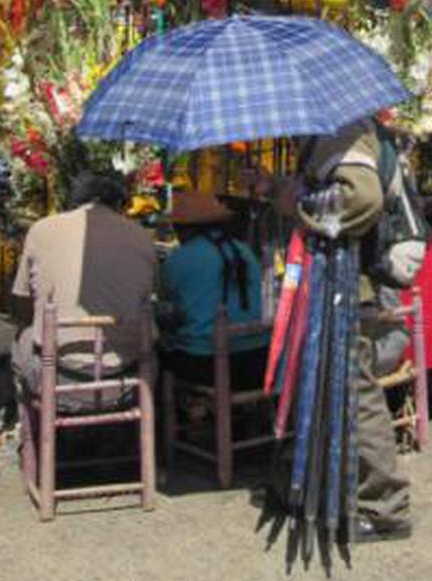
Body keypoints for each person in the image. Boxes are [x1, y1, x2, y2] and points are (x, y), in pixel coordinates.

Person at [291, 120, 412, 544]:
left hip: (349, 286)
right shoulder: (335, 132)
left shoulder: (341, 130)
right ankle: (342, 493)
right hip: (337, 284)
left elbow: (363, 197)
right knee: (340, 391)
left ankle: (385, 508)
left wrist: (302, 206)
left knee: (356, 394)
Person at [11, 172, 156, 396]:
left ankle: (30, 429)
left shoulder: (41, 229)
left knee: (22, 338)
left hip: (60, 380)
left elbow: (22, 303)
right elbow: (151, 298)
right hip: (128, 383)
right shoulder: (142, 236)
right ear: (118, 203)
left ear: (74, 201)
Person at [159, 190, 269, 388]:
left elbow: (170, 306)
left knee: (159, 350)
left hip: (206, 364)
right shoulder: (245, 251)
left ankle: (182, 411)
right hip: (258, 359)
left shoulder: (179, 259)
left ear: (184, 228)